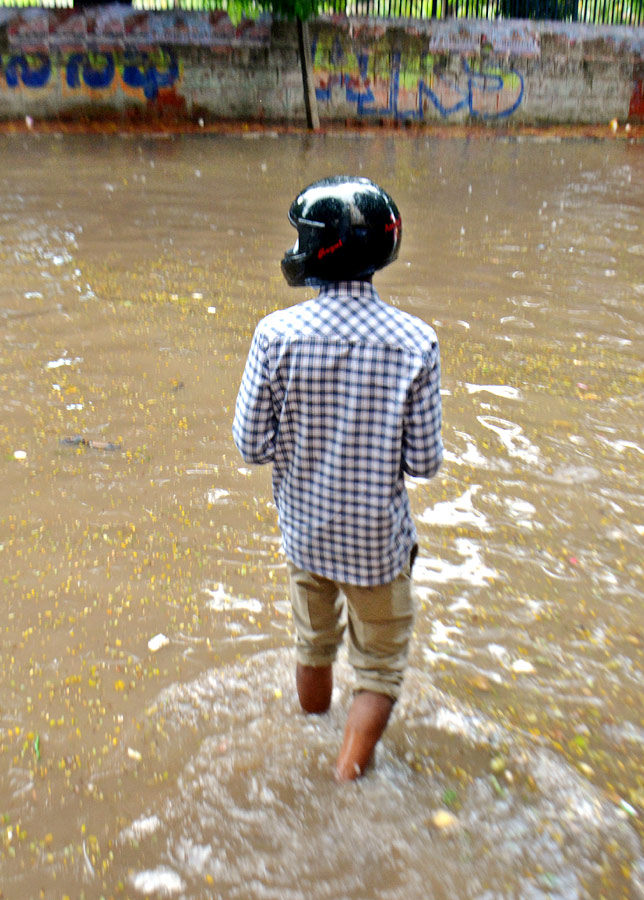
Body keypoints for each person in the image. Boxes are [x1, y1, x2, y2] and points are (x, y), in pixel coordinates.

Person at [232, 175, 443, 781]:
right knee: (378, 670)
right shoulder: (416, 343)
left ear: (319, 250)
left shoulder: (275, 335)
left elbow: (251, 444)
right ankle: (346, 776)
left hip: (307, 534)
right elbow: (424, 462)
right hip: (377, 544)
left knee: (312, 644)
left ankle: (312, 738)